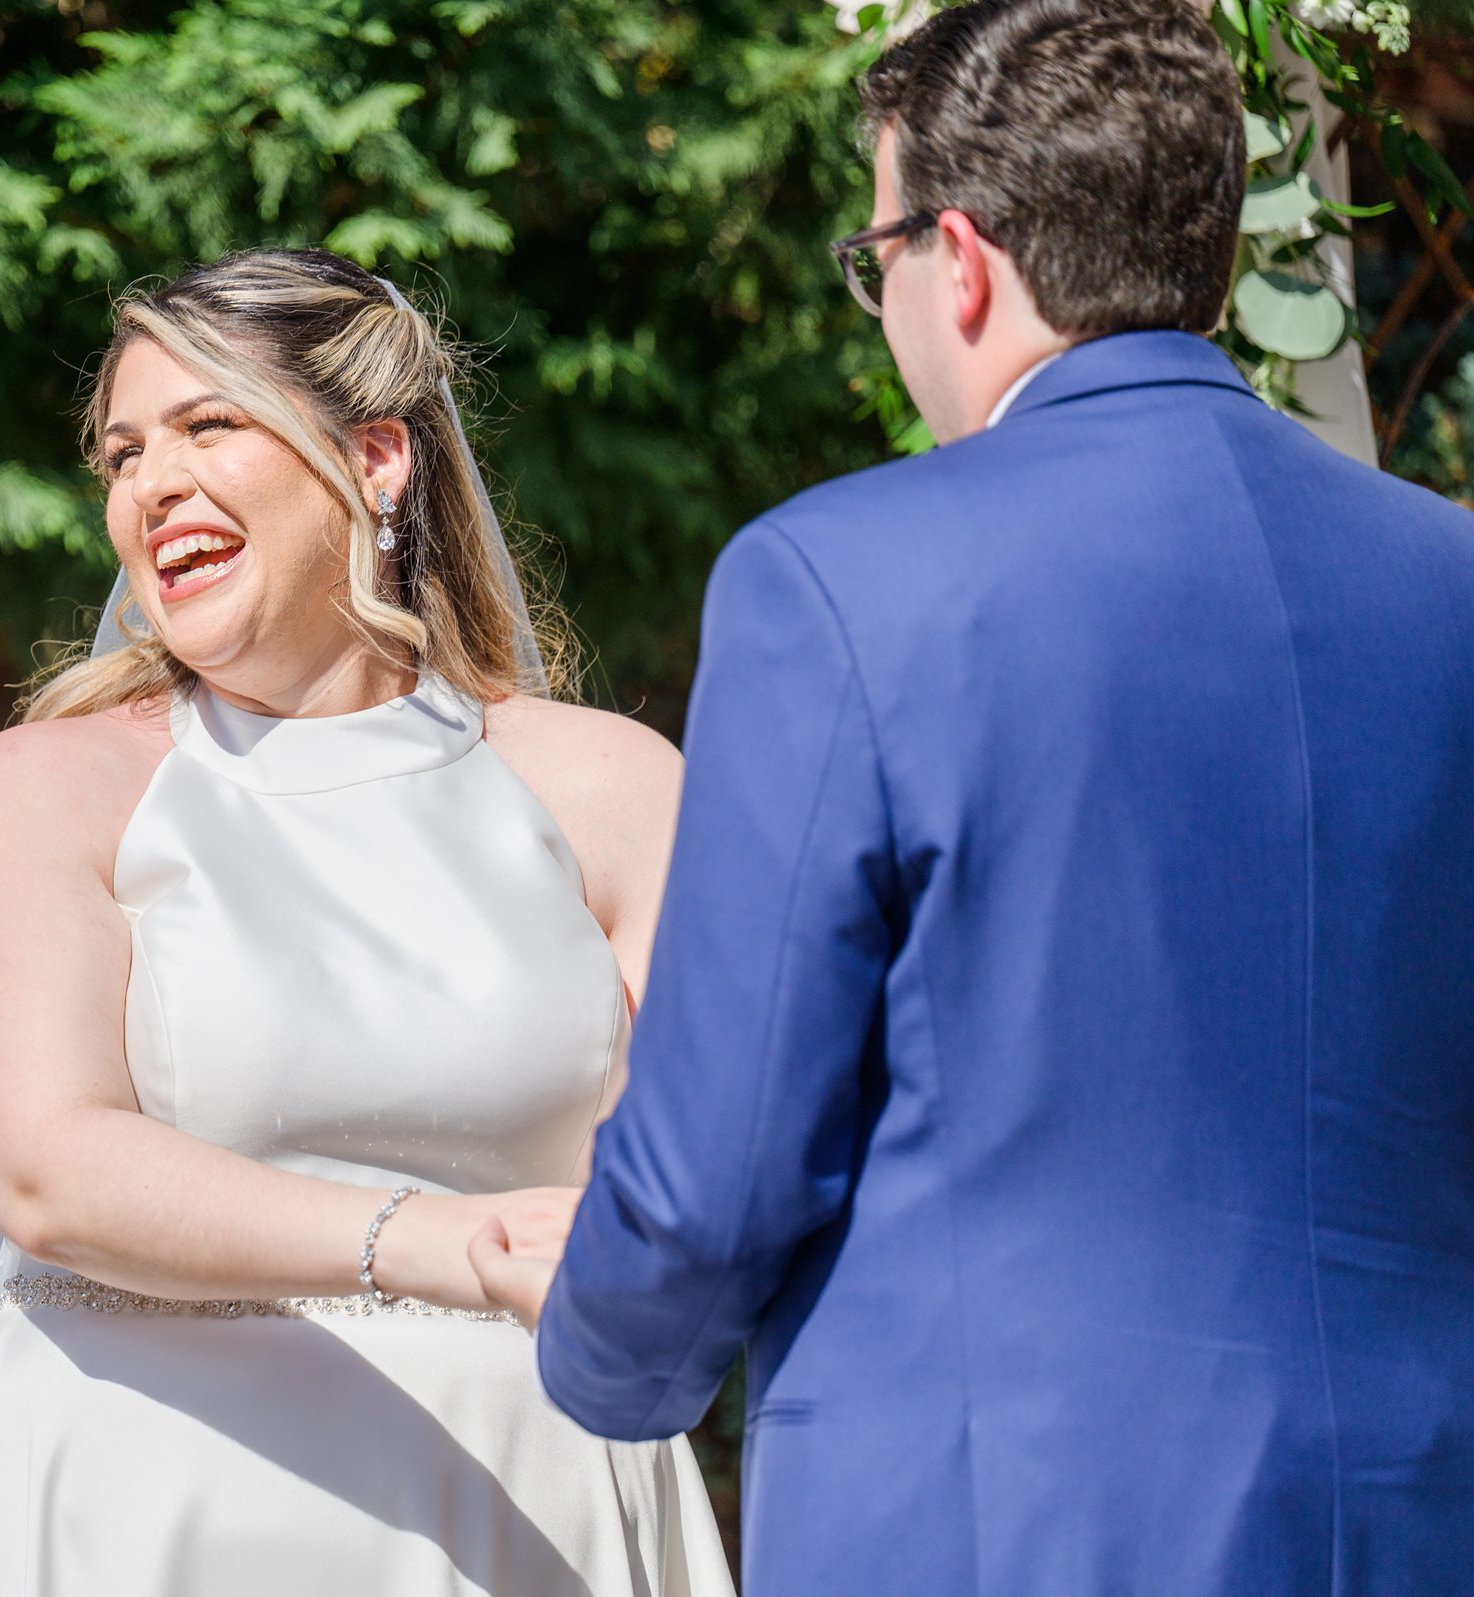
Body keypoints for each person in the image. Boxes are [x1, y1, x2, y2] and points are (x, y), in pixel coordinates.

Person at [470, 1, 1474, 1593]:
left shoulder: (839, 577)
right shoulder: (1451, 582)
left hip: (1002, 1522)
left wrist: (600, 1335)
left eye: (876, 262)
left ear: (964, 257)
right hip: (1413, 1512)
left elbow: (727, 1158)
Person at [0, 248, 732, 1596]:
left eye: (211, 424)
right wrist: (427, 1243)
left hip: (517, 1499)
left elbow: (710, 1160)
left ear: (378, 458)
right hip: (127, 1508)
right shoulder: (41, 793)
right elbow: (46, 1167)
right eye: (122, 452)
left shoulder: (611, 789)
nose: (149, 483)